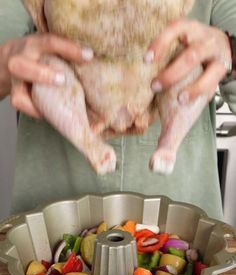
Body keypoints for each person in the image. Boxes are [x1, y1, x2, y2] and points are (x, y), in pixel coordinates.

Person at [0, 0, 235, 220]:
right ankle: (89, 145)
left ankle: (169, 144)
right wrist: (6, 61)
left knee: (187, 73)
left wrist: (230, 49)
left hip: (183, 220)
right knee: (50, 73)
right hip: (48, 221)